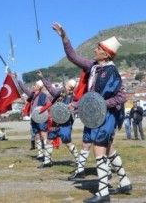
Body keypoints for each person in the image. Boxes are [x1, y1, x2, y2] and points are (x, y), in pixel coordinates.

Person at [53, 22, 132, 203]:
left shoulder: (112, 72)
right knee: (109, 149)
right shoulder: (93, 67)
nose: (94, 50)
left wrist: (102, 104)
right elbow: (73, 56)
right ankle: (125, 181)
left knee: (98, 150)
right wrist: (64, 37)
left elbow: (121, 97)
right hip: (96, 116)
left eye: (98, 48)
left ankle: (103, 192)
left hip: (107, 116)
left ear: (105, 53)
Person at [36, 70, 79, 168]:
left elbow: (76, 108)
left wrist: (71, 108)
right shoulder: (60, 93)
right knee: (49, 140)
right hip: (55, 122)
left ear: (71, 88)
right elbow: (50, 88)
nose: (65, 86)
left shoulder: (74, 98)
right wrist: (42, 78)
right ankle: (47, 161)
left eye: (67, 85)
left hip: (65, 123)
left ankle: (78, 160)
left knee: (67, 142)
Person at [15, 74, 50, 161]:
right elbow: (24, 88)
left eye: (35, 85)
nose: (33, 86)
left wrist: (42, 111)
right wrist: (18, 80)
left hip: (42, 118)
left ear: (39, 87)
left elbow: (49, 105)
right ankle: (40, 153)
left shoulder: (44, 96)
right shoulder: (32, 95)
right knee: (37, 136)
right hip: (34, 118)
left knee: (43, 135)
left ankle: (47, 154)